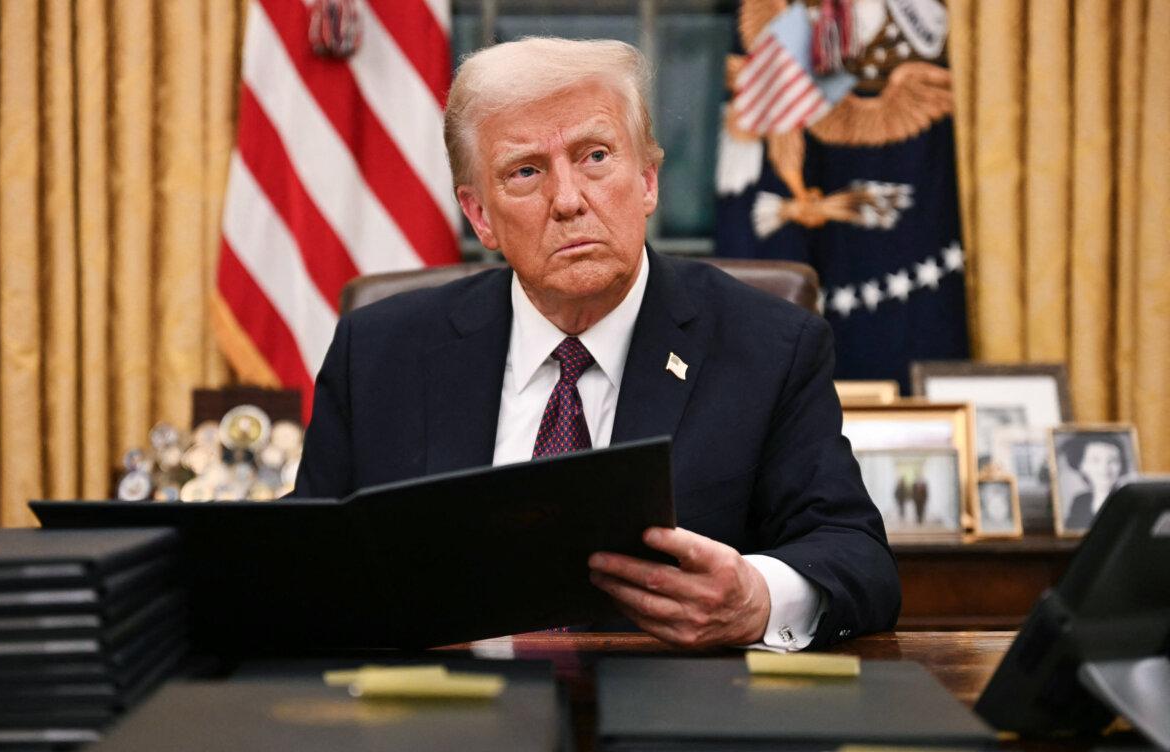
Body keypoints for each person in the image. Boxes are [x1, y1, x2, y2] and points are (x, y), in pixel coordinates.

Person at [294, 37, 899, 650]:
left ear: (647, 181)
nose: (568, 200)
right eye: (526, 170)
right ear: (480, 216)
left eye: (595, 156)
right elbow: (303, 561)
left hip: (663, 724)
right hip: (444, 722)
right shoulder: (380, 353)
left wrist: (756, 597)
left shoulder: (769, 347)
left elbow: (857, 559)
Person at [1063, 433, 1128, 531]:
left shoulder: (1128, 500)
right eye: (1095, 460)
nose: (1104, 469)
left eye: (1113, 461)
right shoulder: (1080, 501)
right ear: (1081, 466)